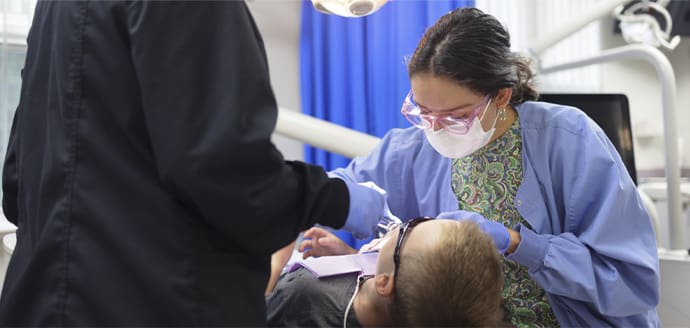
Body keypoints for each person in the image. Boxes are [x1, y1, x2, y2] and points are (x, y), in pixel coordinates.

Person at [0, 1, 386, 326]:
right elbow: (231, 178)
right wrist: (337, 200)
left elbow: (16, 183)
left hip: (40, 300)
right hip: (149, 304)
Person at [327, 7, 660, 327]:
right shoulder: (412, 149)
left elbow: (631, 283)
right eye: (423, 112)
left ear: (501, 96)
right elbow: (340, 188)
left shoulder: (569, 139)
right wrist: (357, 252)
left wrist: (519, 244)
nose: (436, 128)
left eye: (456, 116)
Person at [265, 218, 506, 327]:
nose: (401, 225)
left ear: (384, 283)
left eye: (406, 232)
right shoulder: (401, 303)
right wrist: (348, 256)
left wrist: (275, 261)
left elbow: (250, 315)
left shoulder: (306, 298)